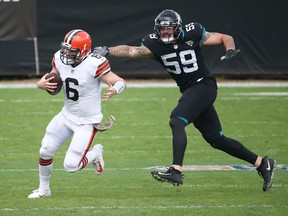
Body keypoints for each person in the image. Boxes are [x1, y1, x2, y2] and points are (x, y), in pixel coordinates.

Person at [93, 9, 275, 191]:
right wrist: (108, 50)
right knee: (216, 139)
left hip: (204, 85)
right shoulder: (154, 44)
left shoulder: (193, 32)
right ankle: (262, 163)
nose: (164, 32)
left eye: (168, 28)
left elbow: (223, 37)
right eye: (161, 29)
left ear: (178, 27)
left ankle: (176, 170)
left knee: (176, 120)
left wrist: (230, 49)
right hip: (190, 90)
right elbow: (131, 51)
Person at [28, 29, 127, 198]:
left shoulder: (95, 63)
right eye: (65, 49)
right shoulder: (59, 58)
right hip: (66, 115)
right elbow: (54, 77)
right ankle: (44, 189)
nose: (66, 53)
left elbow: (120, 81)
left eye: (72, 51)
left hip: (87, 121)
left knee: (71, 166)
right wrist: (41, 84)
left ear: (84, 51)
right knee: (45, 150)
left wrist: (114, 89)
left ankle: (95, 153)